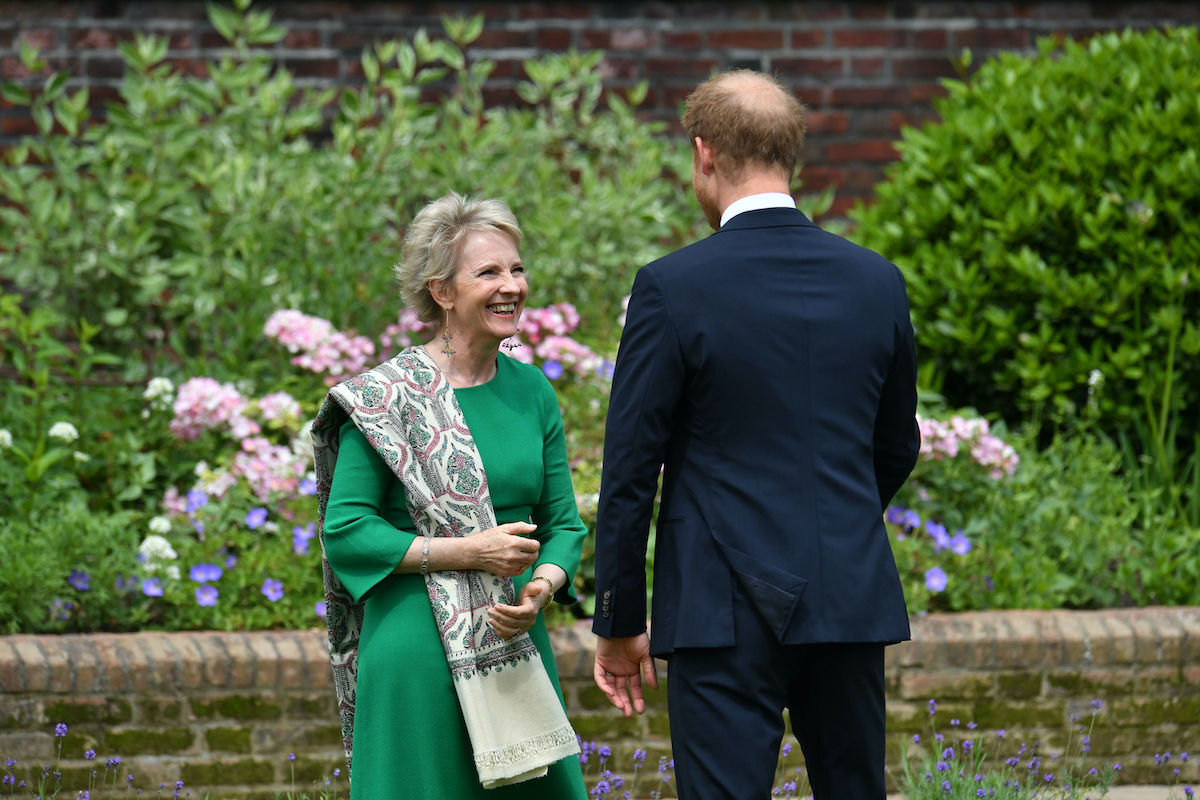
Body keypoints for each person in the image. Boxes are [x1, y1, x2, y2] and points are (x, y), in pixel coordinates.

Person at [591, 70, 921, 800]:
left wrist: (618, 618)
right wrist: (835, 522)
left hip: (719, 607)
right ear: (792, 153)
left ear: (704, 153)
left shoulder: (672, 286)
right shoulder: (876, 281)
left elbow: (631, 468)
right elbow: (898, 444)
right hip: (848, 597)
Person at [312, 192, 588, 799]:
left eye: (516, 268)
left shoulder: (532, 391)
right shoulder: (387, 399)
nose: (511, 285)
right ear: (441, 291)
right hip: (417, 650)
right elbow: (347, 531)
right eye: (488, 272)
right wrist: (469, 552)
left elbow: (563, 525)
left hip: (513, 637)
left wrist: (540, 588)